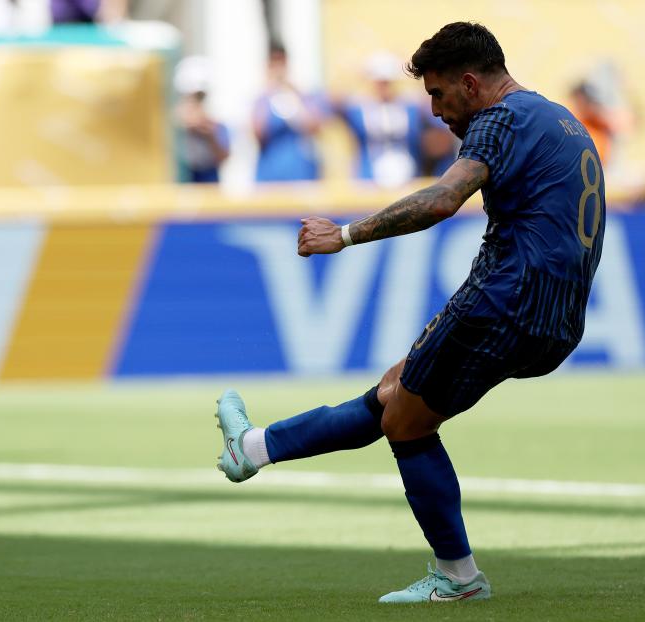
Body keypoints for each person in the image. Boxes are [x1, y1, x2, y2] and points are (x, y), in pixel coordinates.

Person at [213, 22, 605, 603]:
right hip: (559, 318)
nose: (436, 112)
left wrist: (345, 234)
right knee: (396, 391)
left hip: (504, 300)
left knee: (407, 422)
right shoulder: (558, 119)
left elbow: (443, 199)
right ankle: (252, 448)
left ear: (470, 83)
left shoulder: (499, 119)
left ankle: (459, 577)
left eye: (439, 95)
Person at [335, 52, 455, 187]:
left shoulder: (411, 107)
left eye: (387, 82)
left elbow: (441, 129)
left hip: (409, 175)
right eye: (379, 82)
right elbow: (335, 101)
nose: (383, 86)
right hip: (368, 177)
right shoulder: (357, 109)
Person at [252, 42, 325, 182]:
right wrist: (270, 91)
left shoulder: (302, 95)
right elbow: (258, 134)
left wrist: (294, 97)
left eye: (281, 63)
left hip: (301, 172)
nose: (278, 69)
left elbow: (316, 128)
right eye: (274, 64)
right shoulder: (261, 100)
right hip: (271, 173)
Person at [173, 56, 230, 184]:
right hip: (183, 178)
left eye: (199, 96)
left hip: (208, 179)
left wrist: (210, 135)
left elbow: (224, 156)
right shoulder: (173, 119)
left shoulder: (214, 122)